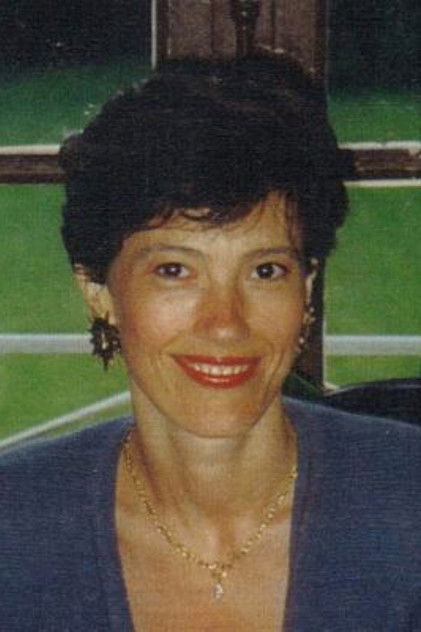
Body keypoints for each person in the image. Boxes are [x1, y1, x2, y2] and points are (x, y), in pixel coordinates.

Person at [1, 54, 420, 631]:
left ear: (307, 288)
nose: (225, 324)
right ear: (98, 291)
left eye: (265, 271)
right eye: (175, 270)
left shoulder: (409, 504)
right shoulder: (13, 525)